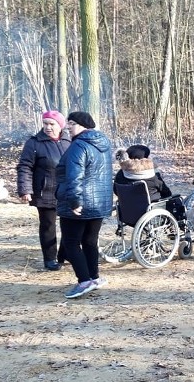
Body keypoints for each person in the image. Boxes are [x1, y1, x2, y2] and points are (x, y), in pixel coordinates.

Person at [55, 111, 113, 298]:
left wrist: (74, 201)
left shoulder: (78, 146)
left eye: (71, 123)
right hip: (98, 203)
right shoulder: (103, 144)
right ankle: (94, 277)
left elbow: (74, 177)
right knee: (89, 241)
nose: (68, 127)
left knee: (71, 243)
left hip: (79, 203)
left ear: (83, 125)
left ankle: (84, 280)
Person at [17, 110, 71, 271]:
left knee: (70, 225)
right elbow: (24, 167)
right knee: (48, 226)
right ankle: (50, 258)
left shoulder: (70, 140)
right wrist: (25, 190)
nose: (48, 127)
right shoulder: (34, 143)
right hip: (45, 191)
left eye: (52, 124)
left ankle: (64, 255)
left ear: (60, 126)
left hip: (67, 191)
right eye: (45, 123)